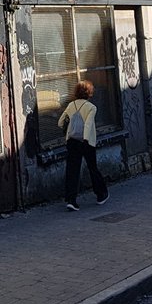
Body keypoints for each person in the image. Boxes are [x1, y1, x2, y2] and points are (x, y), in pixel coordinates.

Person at [57, 80, 109, 211]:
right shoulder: (91, 107)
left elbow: (60, 122)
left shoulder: (70, 105)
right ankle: (101, 194)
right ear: (89, 93)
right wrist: (85, 139)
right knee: (92, 168)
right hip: (87, 142)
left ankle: (71, 200)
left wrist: (69, 129)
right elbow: (88, 124)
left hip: (72, 141)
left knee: (72, 170)